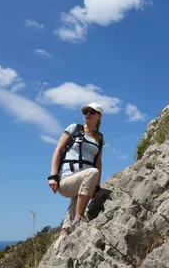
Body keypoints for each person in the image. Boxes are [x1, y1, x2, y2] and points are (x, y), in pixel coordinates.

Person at [48, 102, 104, 240]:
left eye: (91, 112)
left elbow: (98, 162)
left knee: (69, 219)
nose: (87, 114)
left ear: (99, 116)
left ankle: (62, 243)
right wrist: (53, 176)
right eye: (85, 112)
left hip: (83, 182)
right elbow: (58, 150)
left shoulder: (99, 138)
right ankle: (79, 218)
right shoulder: (74, 128)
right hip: (67, 179)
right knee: (92, 172)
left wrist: (96, 187)